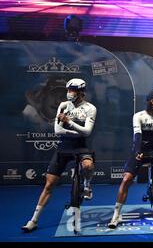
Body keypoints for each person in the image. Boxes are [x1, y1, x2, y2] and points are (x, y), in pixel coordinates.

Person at [22, 78, 97, 232]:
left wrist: (69, 122)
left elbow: (88, 132)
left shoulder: (90, 108)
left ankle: (87, 186)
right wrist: (77, 131)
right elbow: (58, 131)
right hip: (63, 147)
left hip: (81, 147)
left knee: (88, 165)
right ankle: (34, 220)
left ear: (81, 92)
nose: (69, 93)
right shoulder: (63, 106)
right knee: (49, 185)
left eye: (73, 90)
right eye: (69, 90)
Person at [108, 89, 153, 229]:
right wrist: (137, 151)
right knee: (126, 180)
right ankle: (116, 214)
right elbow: (137, 136)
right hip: (139, 150)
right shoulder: (139, 116)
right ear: (151, 101)